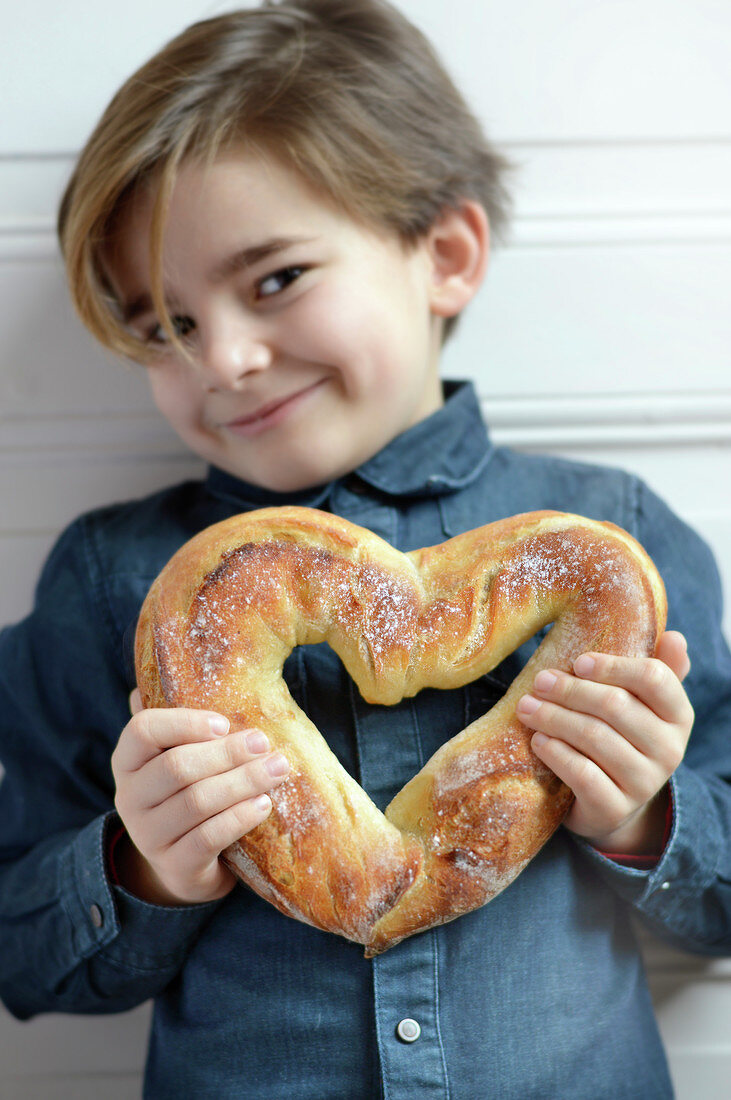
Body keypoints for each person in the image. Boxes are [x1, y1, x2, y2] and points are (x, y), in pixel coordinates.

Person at [0, 2, 729, 1096]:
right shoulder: (116, 580)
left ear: (443, 254)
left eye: (275, 278)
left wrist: (640, 810)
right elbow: (21, 942)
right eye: (168, 326)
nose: (226, 358)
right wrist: (144, 860)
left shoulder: (612, 542)